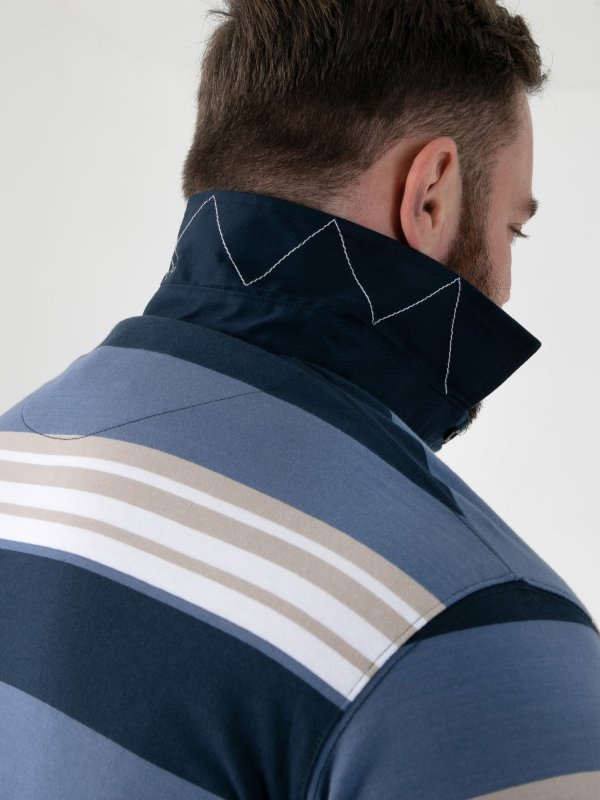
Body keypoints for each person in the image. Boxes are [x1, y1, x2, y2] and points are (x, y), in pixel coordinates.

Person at [0, 0, 599, 797]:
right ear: (430, 193)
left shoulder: (14, 460)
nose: (509, 278)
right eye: (512, 229)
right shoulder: (479, 631)